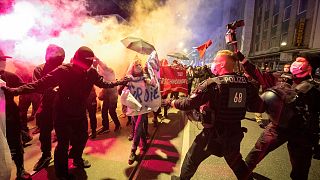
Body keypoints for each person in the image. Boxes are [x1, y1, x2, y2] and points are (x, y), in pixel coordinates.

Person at [2, 46, 131, 179]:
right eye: (84, 64)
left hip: (79, 111)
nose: (84, 68)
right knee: (63, 144)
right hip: (62, 112)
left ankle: (77, 159)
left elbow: (103, 83)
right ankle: (62, 174)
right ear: (76, 60)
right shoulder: (64, 70)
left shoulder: (91, 72)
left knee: (82, 138)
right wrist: (14, 91)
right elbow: (39, 84)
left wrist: (121, 82)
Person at [168, 50, 264, 180]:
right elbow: (257, 106)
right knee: (237, 163)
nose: (213, 64)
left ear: (222, 64)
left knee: (192, 157)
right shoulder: (246, 83)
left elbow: (188, 104)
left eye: (215, 61)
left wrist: (171, 102)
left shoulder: (213, 84)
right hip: (234, 132)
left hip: (212, 134)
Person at [238, 51, 320, 180]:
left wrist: (315, 139)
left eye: (301, 61)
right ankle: (243, 176)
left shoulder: (315, 88)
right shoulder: (282, 78)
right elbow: (260, 75)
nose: (296, 63)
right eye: (296, 60)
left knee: (300, 168)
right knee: (255, 154)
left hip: (302, 133)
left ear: (310, 67)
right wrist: (243, 60)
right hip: (277, 127)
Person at [32, 44, 65, 171]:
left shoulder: (65, 68)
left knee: (64, 132)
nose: (59, 61)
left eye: (61, 59)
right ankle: (46, 155)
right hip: (47, 106)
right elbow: (37, 88)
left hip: (63, 106)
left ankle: (66, 155)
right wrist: (52, 90)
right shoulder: (39, 69)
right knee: (45, 133)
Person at [0, 49, 31, 179]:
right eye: (1, 60)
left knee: (17, 145)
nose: (4, 62)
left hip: (11, 117)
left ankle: (21, 170)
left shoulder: (10, 76)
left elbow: (26, 87)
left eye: (4, 59)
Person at [96, 58, 121, 135]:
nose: (99, 70)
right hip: (107, 92)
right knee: (104, 111)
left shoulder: (109, 70)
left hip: (113, 92)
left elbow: (104, 67)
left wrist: (97, 59)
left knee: (111, 111)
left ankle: (118, 125)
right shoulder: (101, 73)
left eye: (100, 68)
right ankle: (106, 127)